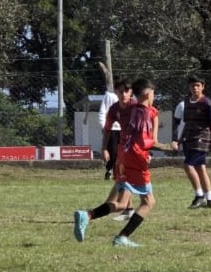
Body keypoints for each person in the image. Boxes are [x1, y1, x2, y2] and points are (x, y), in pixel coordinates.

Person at [73, 77, 171, 247]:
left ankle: (87, 215)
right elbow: (144, 141)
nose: (124, 94)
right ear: (148, 94)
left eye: (127, 91)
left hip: (123, 157)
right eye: (153, 94)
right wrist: (169, 147)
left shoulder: (131, 110)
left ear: (134, 93)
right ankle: (122, 237)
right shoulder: (141, 112)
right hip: (134, 158)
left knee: (122, 204)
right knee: (149, 202)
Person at [181, 74, 211, 208]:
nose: (195, 88)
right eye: (192, 85)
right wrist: (180, 139)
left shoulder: (207, 103)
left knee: (188, 165)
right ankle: (210, 198)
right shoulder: (186, 101)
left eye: (198, 85)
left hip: (201, 139)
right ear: (189, 87)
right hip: (189, 138)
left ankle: (199, 195)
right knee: (200, 167)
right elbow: (186, 122)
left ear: (203, 87)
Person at [100, 79, 136, 220]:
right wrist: (104, 148)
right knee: (121, 176)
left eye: (126, 91)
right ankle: (129, 209)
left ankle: (115, 207)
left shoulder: (136, 107)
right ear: (116, 92)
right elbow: (108, 129)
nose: (124, 94)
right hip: (124, 147)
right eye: (121, 91)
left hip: (137, 148)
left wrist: (148, 149)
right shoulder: (114, 109)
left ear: (131, 92)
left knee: (126, 178)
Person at [97, 81, 121, 180]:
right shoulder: (109, 96)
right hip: (112, 129)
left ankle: (120, 171)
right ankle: (109, 170)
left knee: (122, 151)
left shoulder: (128, 98)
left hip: (124, 129)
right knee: (113, 151)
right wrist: (103, 126)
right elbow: (102, 112)